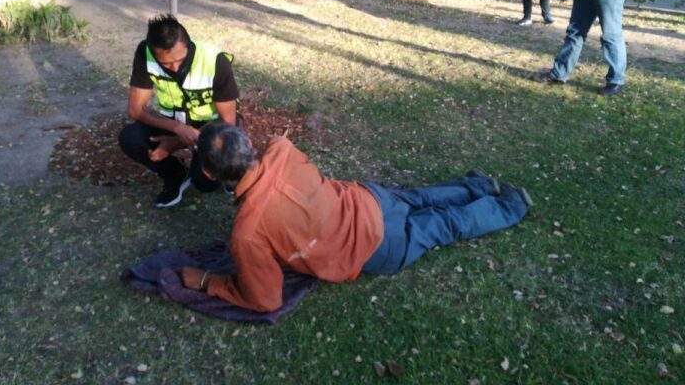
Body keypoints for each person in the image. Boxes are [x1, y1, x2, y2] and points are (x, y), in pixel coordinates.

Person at [179, 124, 532, 312]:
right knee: (421, 198)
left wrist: (210, 281)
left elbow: (265, 299)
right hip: (371, 199)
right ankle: (480, 186)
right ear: (249, 144)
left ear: (210, 176)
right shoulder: (280, 148)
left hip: (375, 247)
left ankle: (510, 206)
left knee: (442, 225)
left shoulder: (248, 233)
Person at [118, 15, 239, 207]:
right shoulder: (145, 53)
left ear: (188, 45)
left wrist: (176, 143)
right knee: (130, 138)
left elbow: (228, 120)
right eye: (165, 63)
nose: (174, 67)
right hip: (172, 122)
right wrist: (176, 128)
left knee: (205, 184)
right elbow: (135, 110)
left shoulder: (215, 60)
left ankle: (227, 172)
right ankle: (175, 175)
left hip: (212, 125)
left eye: (180, 60)